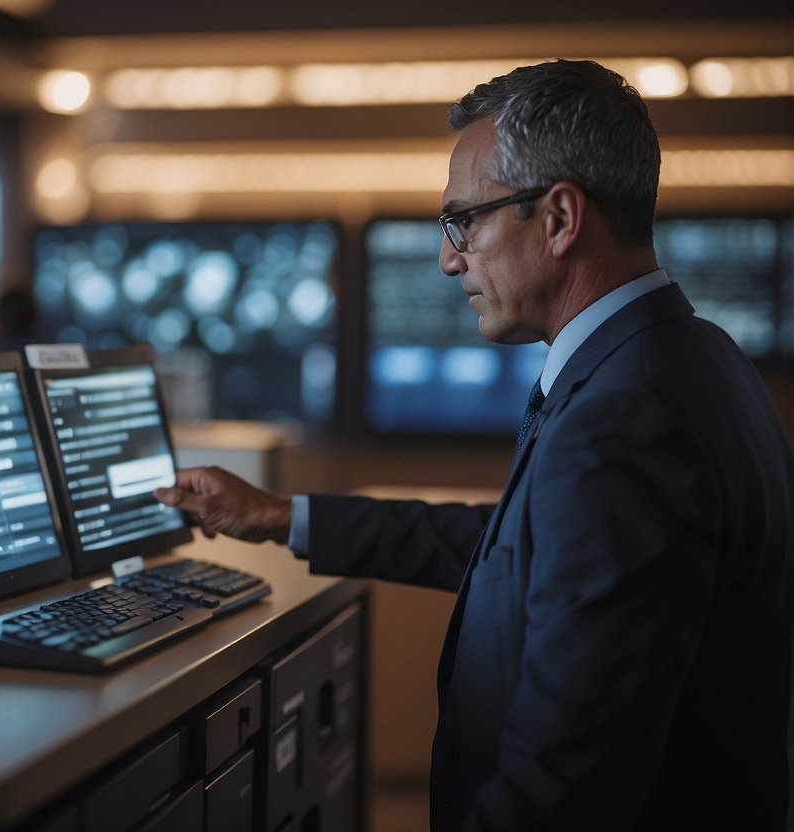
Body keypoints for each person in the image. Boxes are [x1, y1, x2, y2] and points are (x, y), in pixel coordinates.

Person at [155, 59, 792, 831]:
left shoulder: (629, 417)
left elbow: (566, 786)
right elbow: (522, 546)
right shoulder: (690, 353)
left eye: (465, 221)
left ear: (558, 218)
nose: (448, 257)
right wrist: (278, 517)